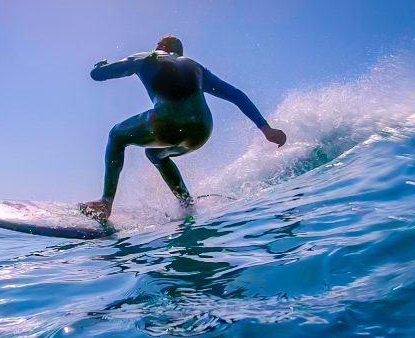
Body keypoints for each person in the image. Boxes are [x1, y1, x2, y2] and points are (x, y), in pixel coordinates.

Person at [80, 35, 286, 222]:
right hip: (201, 131)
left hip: (166, 122)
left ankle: (105, 203)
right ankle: (186, 204)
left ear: (162, 45)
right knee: (155, 154)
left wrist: (101, 66)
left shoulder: (146, 57)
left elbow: (98, 75)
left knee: (117, 135)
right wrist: (266, 129)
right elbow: (235, 94)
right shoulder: (195, 67)